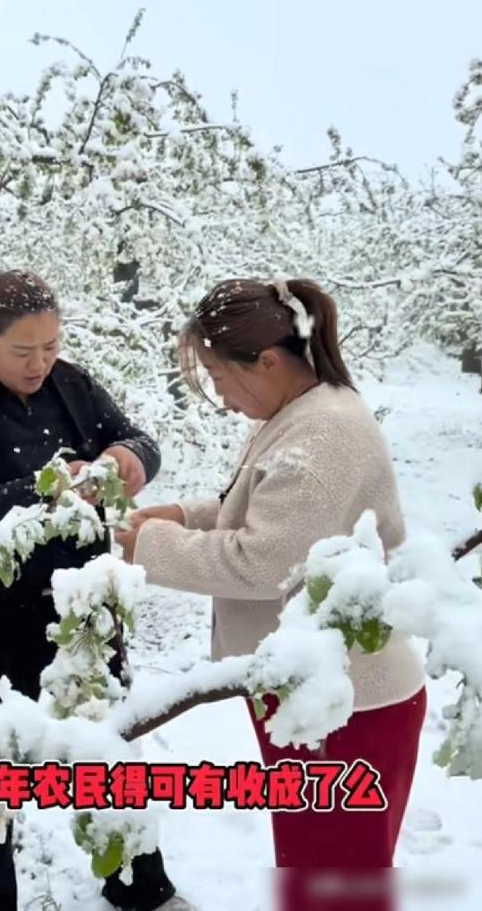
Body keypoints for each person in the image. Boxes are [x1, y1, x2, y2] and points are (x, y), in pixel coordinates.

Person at [116, 278, 426, 911]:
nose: (222, 398)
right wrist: (182, 512)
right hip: (314, 691)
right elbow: (263, 510)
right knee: (315, 869)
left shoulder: (323, 434)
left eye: (217, 376)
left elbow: (266, 561)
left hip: (349, 707)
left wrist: (151, 548)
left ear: (267, 360)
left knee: (337, 883)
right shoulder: (304, 412)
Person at [0, 269, 192, 911]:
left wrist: (121, 461)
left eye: (51, 346)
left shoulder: (73, 385)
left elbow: (141, 440)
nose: (41, 363)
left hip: (78, 613)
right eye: (23, 351)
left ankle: (141, 887)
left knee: (107, 753)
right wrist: (40, 488)